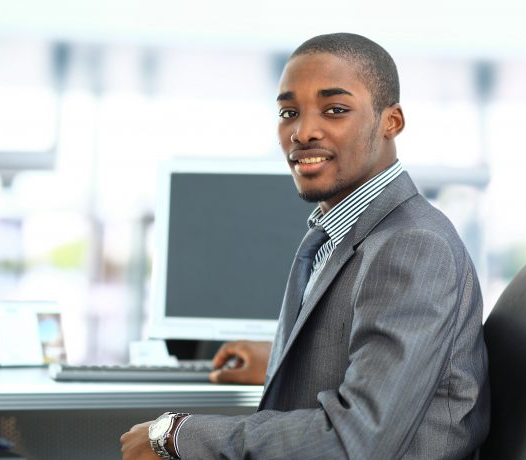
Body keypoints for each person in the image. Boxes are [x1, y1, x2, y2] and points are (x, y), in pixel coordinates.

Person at [121, 32, 490, 459]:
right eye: (288, 112)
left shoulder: (411, 246)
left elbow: (356, 439)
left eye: (335, 110)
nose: (303, 131)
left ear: (391, 121)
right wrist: (284, 359)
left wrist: (178, 436)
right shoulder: (351, 231)